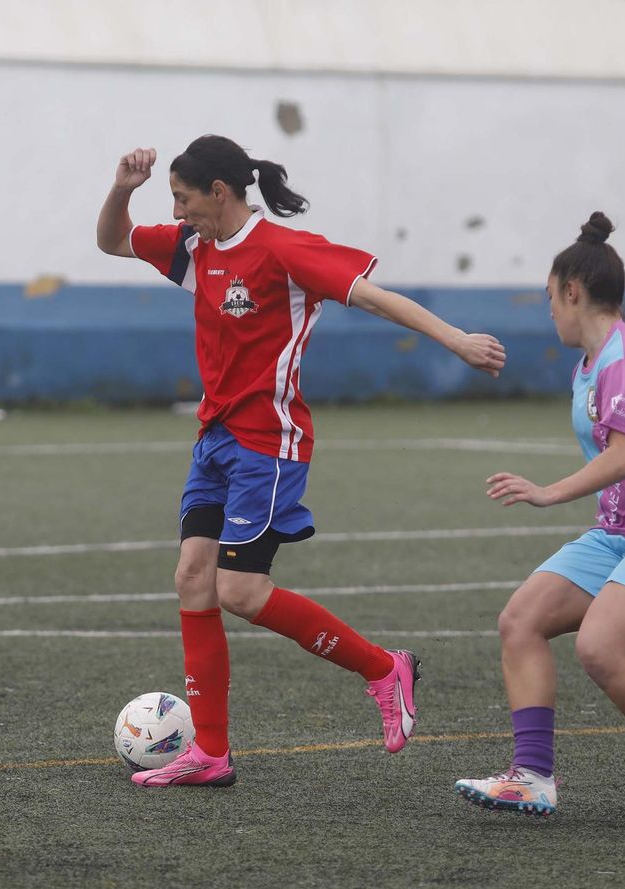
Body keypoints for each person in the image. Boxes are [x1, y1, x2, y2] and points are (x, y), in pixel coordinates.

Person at [96, 135, 507, 787]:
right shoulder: (193, 247)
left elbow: (374, 296)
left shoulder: (283, 250)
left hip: (269, 444)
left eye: (181, 198)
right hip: (215, 440)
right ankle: (210, 752)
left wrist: (456, 339)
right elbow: (112, 241)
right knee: (192, 577)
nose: (174, 212)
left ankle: (382, 668)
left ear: (219, 194)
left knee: (240, 591)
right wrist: (123, 187)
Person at [454, 213, 625, 830]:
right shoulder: (589, 364)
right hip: (623, 532)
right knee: (520, 621)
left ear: (572, 292)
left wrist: (547, 493)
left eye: (550, 298)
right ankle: (532, 777)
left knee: (600, 645)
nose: (548, 311)